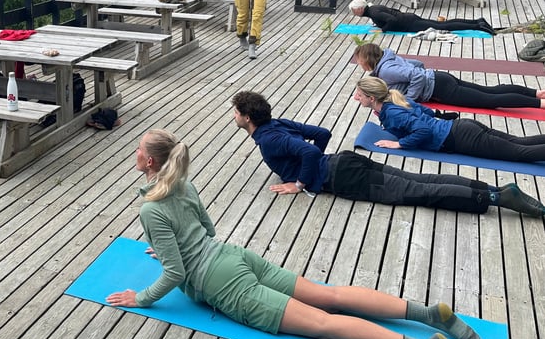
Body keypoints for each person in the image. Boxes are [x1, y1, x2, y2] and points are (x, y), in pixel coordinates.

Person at [105, 128, 487, 339]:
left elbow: (174, 274)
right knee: (330, 295)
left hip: (222, 282)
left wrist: (141, 297)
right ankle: (429, 315)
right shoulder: (183, 184)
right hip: (236, 256)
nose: (136, 152)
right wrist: (172, 251)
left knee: (324, 323)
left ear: (149, 161)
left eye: (139, 148)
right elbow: (204, 231)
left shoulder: (150, 208)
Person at [231, 90, 544, 217]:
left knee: (420, 191)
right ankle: (496, 191)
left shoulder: (268, 139)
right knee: (422, 180)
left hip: (344, 176)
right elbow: (322, 135)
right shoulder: (277, 124)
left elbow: (308, 154)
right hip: (345, 162)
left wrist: (299, 183)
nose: (233, 116)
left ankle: (497, 198)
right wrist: (313, 162)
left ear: (247, 117)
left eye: (235, 112)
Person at [354, 76, 545, 163]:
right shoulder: (395, 98)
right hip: (460, 127)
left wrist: (400, 144)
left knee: (519, 153)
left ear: (372, 98)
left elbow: (424, 130)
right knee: (518, 143)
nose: (356, 98)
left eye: (359, 95)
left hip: (460, 138)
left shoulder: (392, 112)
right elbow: (427, 113)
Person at [353, 42, 545, 109]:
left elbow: (416, 76)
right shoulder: (389, 59)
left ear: (368, 59)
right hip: (440, 78)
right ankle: (536, 93)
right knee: (490, 90)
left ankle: (539, 103)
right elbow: (418, 65)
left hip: (441, 88)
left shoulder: (386, 70)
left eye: (360, 60)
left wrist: (409, 99)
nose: (359, 63)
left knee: (490, 99)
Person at [348, 0, 496, 35]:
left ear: (360, 9)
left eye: (354, 11)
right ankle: (477, 21)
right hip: (409, 17)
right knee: (444, 24)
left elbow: (391, 20)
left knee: (443, 26)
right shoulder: (373, 8)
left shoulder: (373, 12)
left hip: (409, 24)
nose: (353, 13)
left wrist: (383, 30)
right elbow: (392, 10)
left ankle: (478, 26)